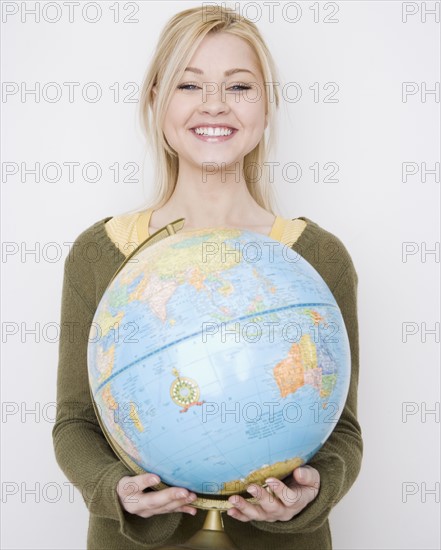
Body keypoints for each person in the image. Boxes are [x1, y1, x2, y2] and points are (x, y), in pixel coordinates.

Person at [52, 5, 363, 549]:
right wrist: (113, 489)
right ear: (156, 101)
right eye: (188, 84)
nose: (214, 104)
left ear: (266, 107)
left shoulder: (317, 257)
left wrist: (316, 488)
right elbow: (74, 421)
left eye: (239, 86)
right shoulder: (100, 253)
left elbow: (343, 432)